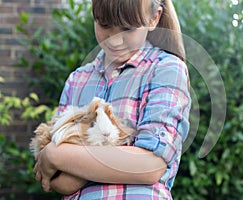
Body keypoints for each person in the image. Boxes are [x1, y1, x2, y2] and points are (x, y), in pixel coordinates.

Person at [34, 0, 191, 199]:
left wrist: (59, 155)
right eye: (104, 25)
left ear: (154, 18)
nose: (115, 41)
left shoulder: (165, 69)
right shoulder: (77, 80)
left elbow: (150, 165)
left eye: (128, 28)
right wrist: (120, 156)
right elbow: (58, 180)